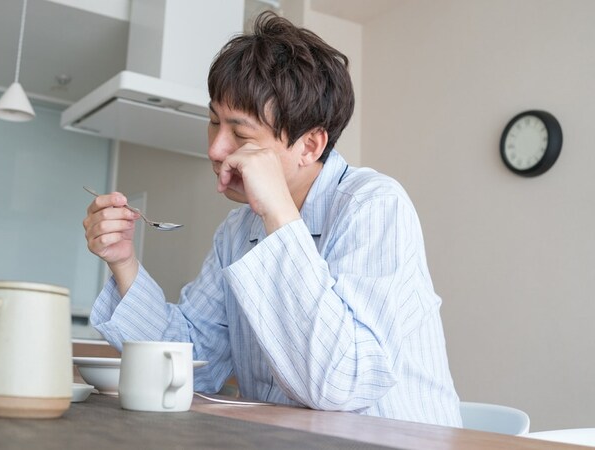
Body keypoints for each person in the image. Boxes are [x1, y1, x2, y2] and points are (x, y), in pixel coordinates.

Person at [82, 11, 461, 427]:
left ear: (310, 144)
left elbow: (341, 384)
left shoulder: (372, 206)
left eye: (241, 135)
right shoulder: (236, 231)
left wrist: (279, 213)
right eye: (213, 122)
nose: (215, 149)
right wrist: (124, 262)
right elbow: (194, 362)